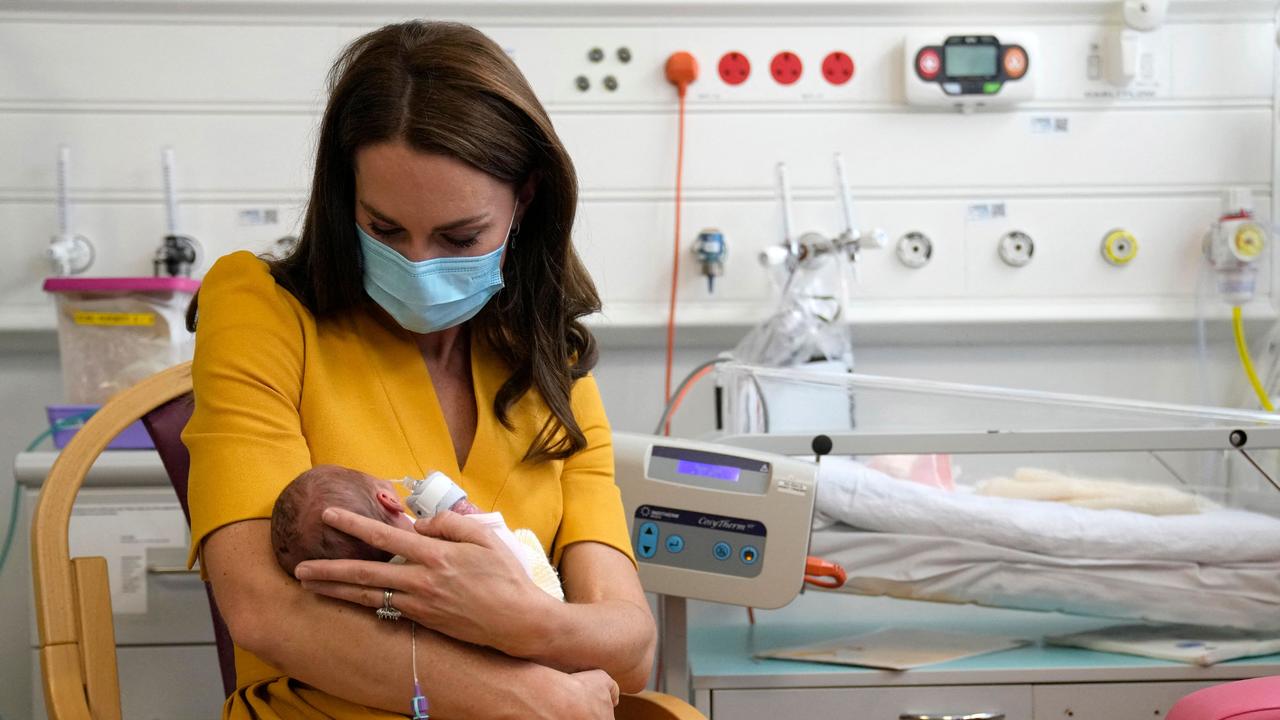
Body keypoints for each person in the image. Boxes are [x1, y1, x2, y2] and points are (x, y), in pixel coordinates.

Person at [183, 20, 654, 719]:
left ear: (525, 200)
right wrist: (532, 696)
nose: (420, 266)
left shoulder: (547, 360)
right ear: (347, 199)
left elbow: (632, 647)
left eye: (460, 237)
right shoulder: (262, 308)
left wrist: (516, 619)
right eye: (385, 230)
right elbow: (262, 612)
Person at [270, 465, 565, 600]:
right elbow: (512, 565)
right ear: (388, 500)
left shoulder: (375, 597)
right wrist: (469, 515)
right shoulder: (445, 542)